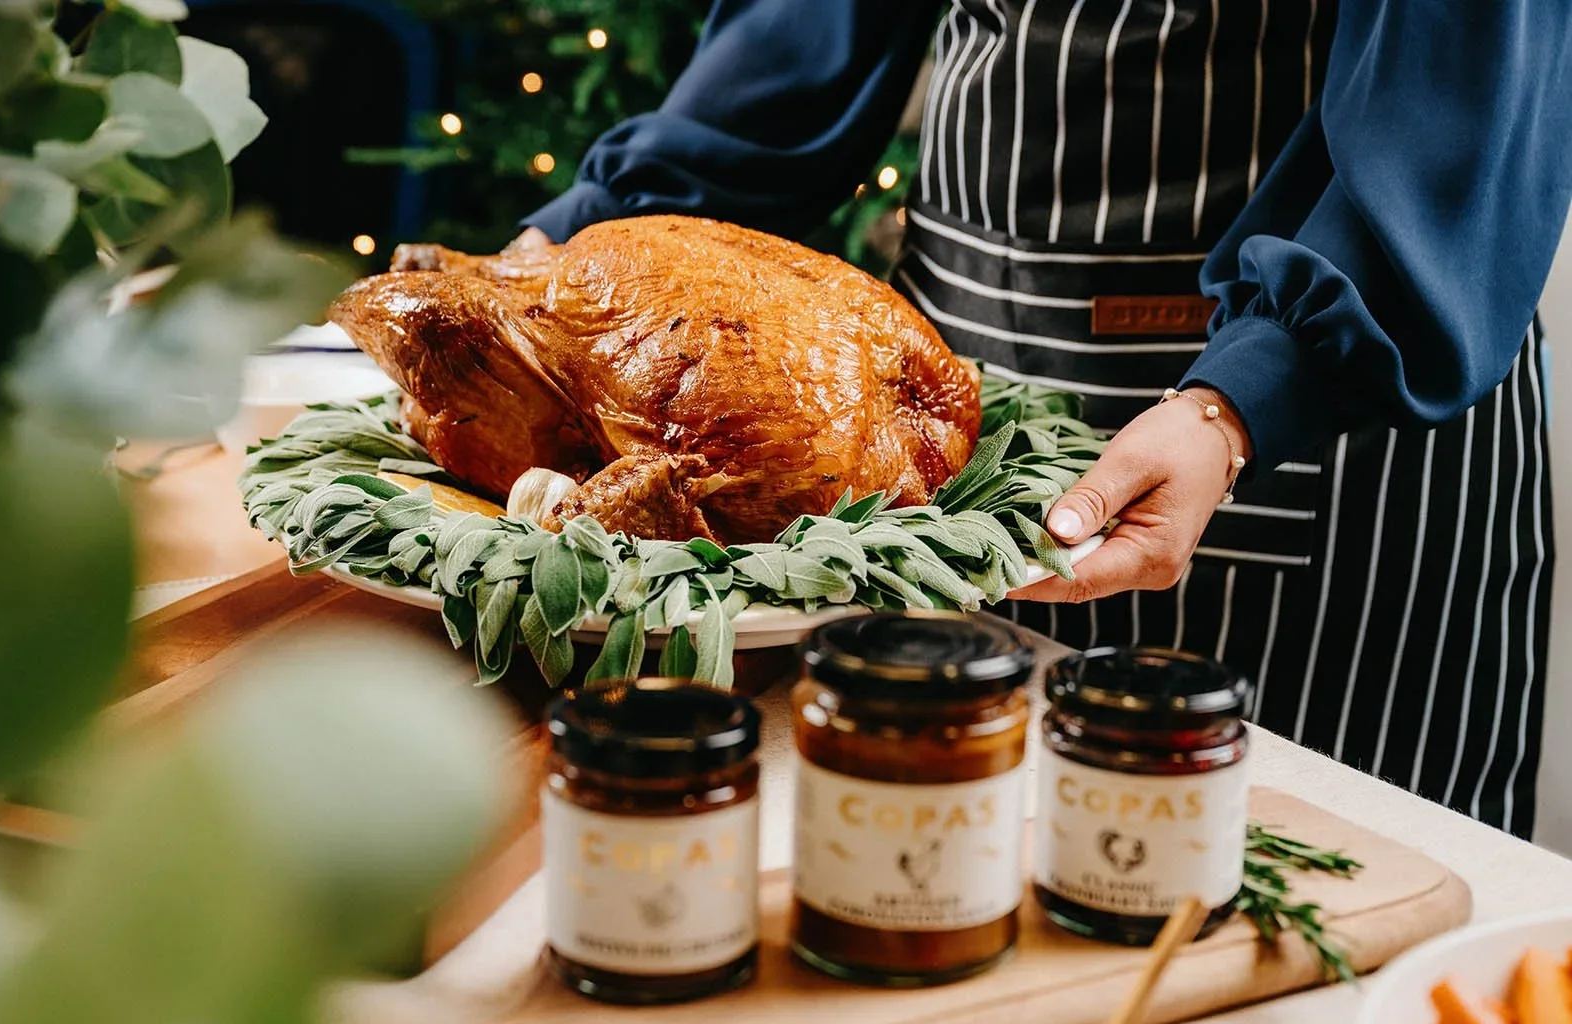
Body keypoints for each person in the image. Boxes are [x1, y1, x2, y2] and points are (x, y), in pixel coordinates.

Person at [519, 1, 1572, 838]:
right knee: (938, 872)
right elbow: (801, 35)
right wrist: (563, 262)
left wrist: (1251, 391)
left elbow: (1465, 81)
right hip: (948, 406)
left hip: (1343, 380)